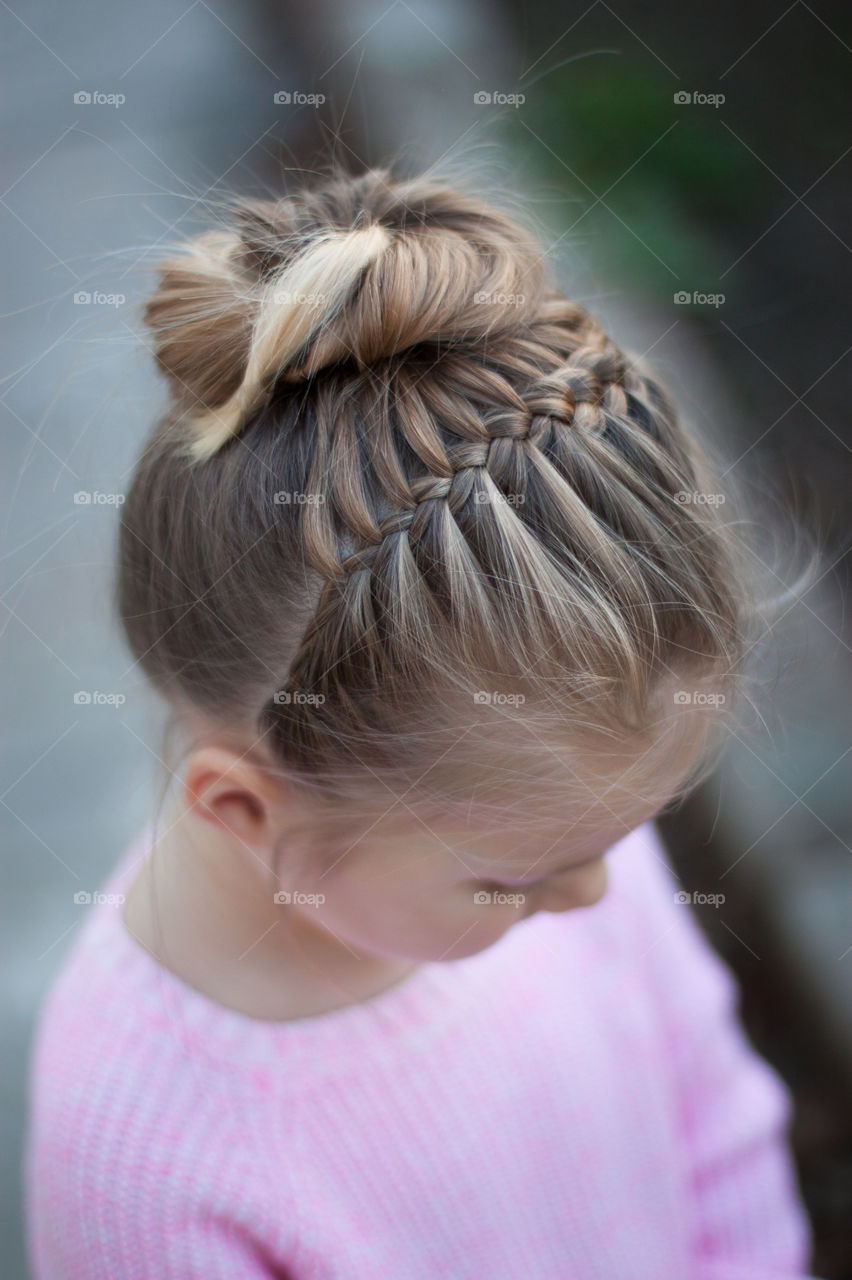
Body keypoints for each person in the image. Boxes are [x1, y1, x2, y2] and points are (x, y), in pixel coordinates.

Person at [25, 166, 816, 1277]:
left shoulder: (552, 829)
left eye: (626, 830)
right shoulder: (140, 1155)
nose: (598, 890)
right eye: (512, 882)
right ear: (245, 805)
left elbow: (718, 1135)